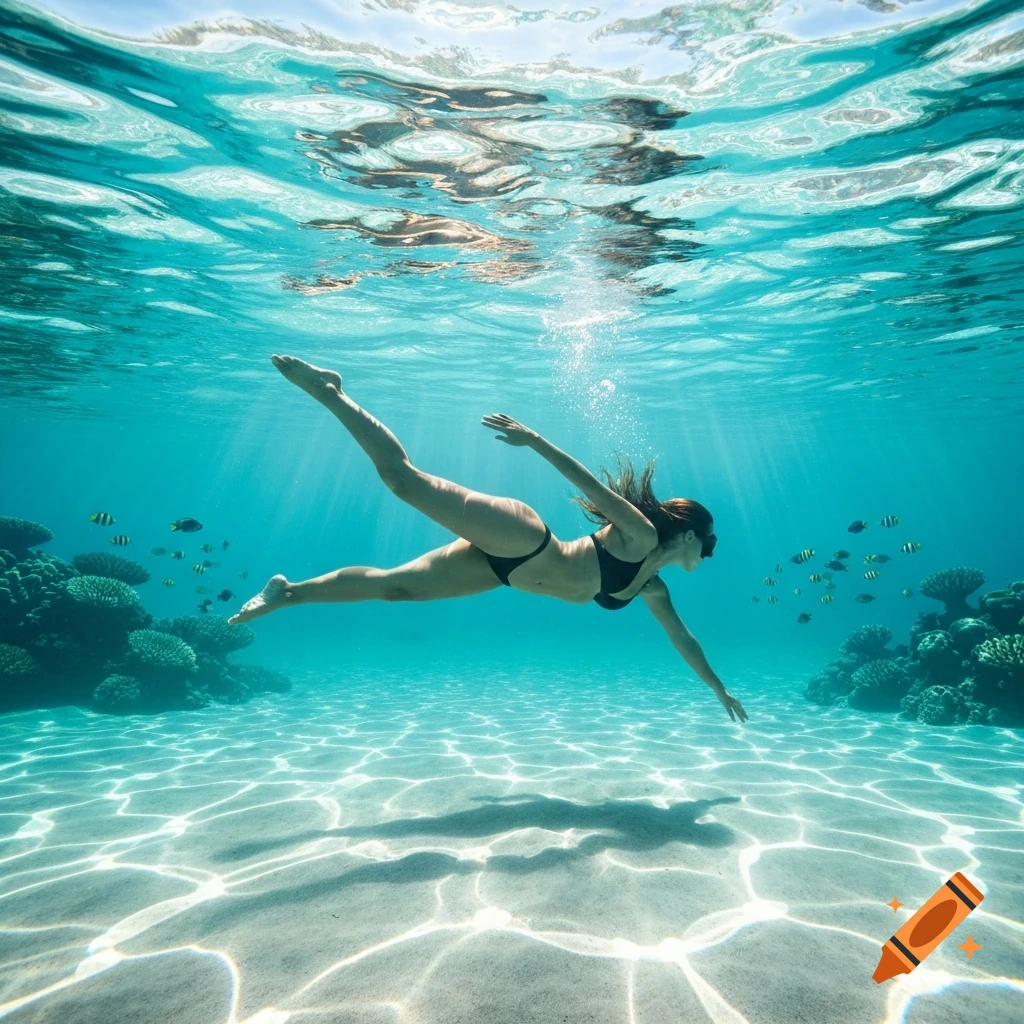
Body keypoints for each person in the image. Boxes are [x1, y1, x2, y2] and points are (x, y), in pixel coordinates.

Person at [230, 355, 748, 722]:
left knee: (395, 589)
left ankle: (289, 592)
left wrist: (718, 688)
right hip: (524, 540)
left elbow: (683, 640)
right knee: (403, 482)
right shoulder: (637, 534)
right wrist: (534, 440)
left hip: (502, 572)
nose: (712, 554)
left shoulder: (651, 588)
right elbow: (590, 485)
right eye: (712, 543)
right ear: (690, 534)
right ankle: (331, 391)